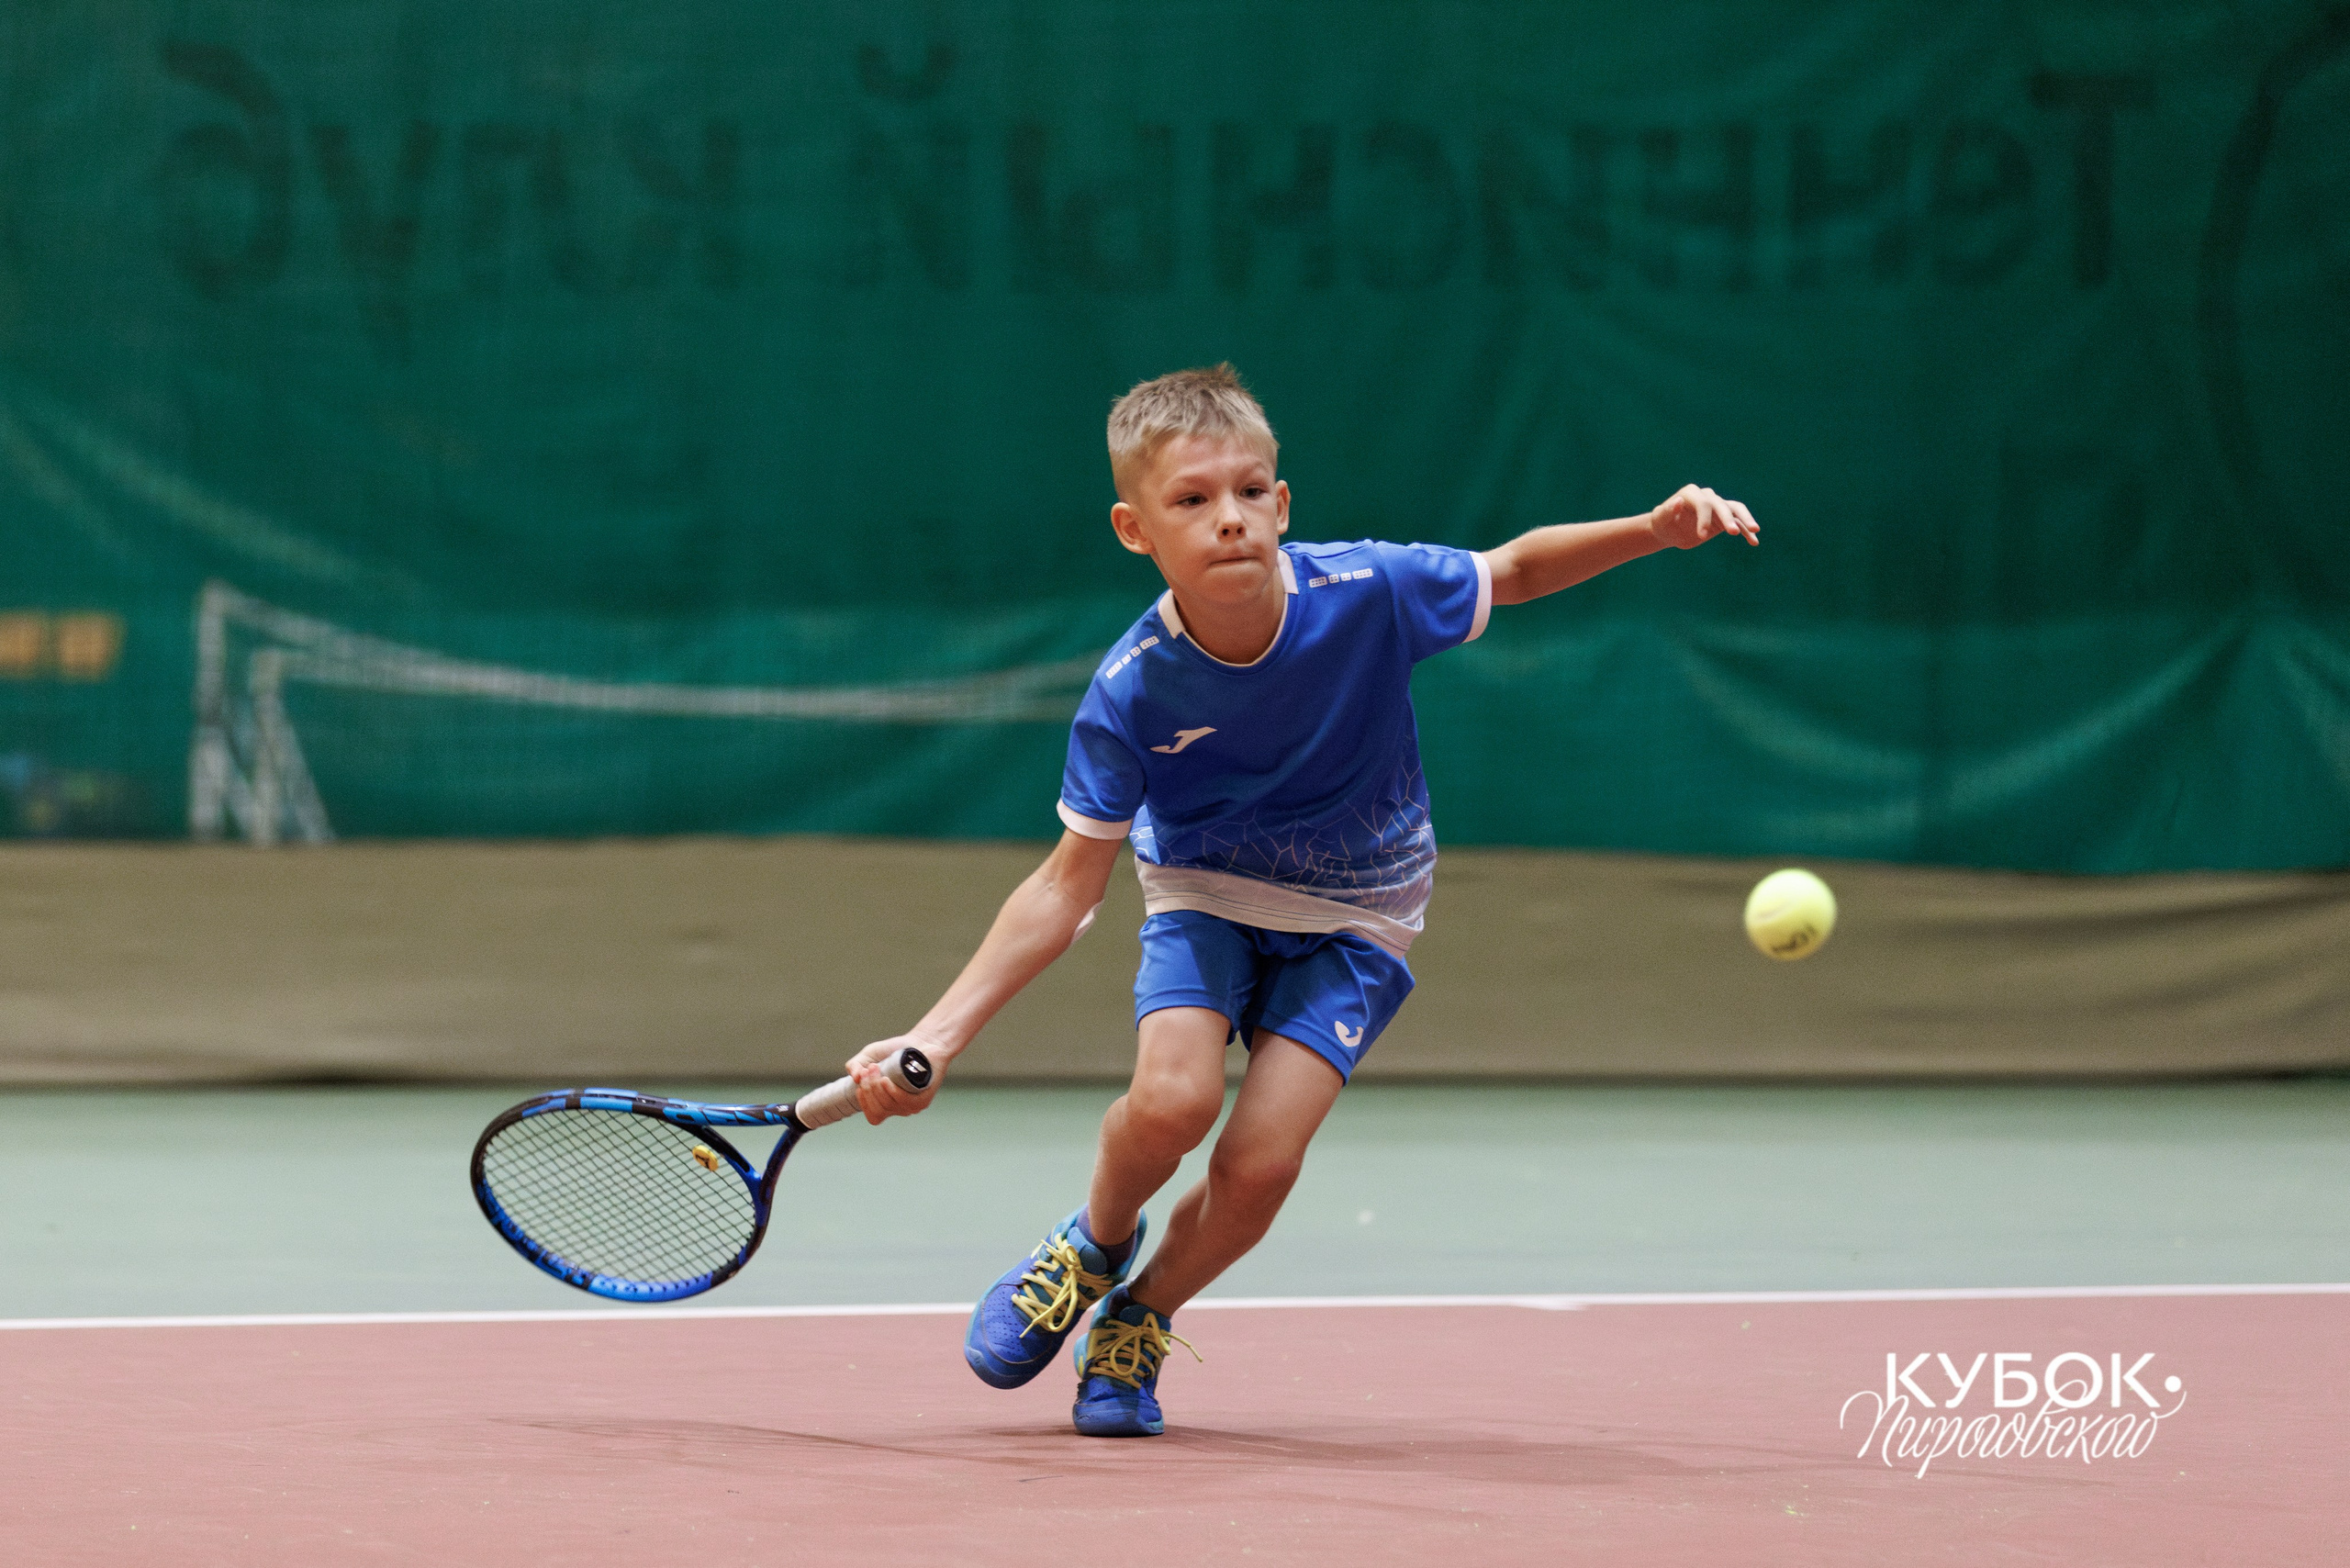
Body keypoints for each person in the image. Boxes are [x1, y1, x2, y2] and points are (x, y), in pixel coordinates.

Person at [845, 364, 1758, 1437]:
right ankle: (1092, 1241)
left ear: (1282, 503)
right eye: (1190, 500)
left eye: (1248, 491)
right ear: (1135, 530)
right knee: (1173, 1102)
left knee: (1263, 1161)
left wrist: (1652, 528)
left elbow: (1508, 571)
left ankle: (1138, 1319)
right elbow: (1065, 886)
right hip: (1207, 892)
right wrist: (937, 1036)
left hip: (1361, 909)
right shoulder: (1131, 687)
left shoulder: (1365, 592)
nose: (1226, 518)